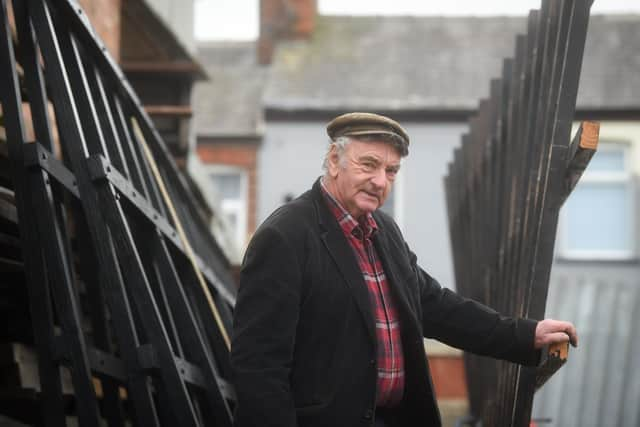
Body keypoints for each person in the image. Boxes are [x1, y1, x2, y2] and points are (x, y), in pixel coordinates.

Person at [230, 112, 578, 427]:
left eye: (391, 171)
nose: (380, 181)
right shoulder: (284, 237)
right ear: (334, 160)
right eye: (369, 165)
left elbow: (436, 306)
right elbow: (259, 368)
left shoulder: (384, 231)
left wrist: (525, 335)